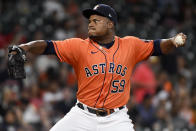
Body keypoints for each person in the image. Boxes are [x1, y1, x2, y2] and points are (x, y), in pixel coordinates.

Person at [8, 4, 187, 131]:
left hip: (116, 119)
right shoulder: (78, 46)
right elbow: (47, 45)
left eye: (96, 20)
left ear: (110, 24)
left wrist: (172, 41)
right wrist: (26, 47)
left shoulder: (130, 45)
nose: (90, 23)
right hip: (82, 115)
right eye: (89, 21)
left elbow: (158, 46)